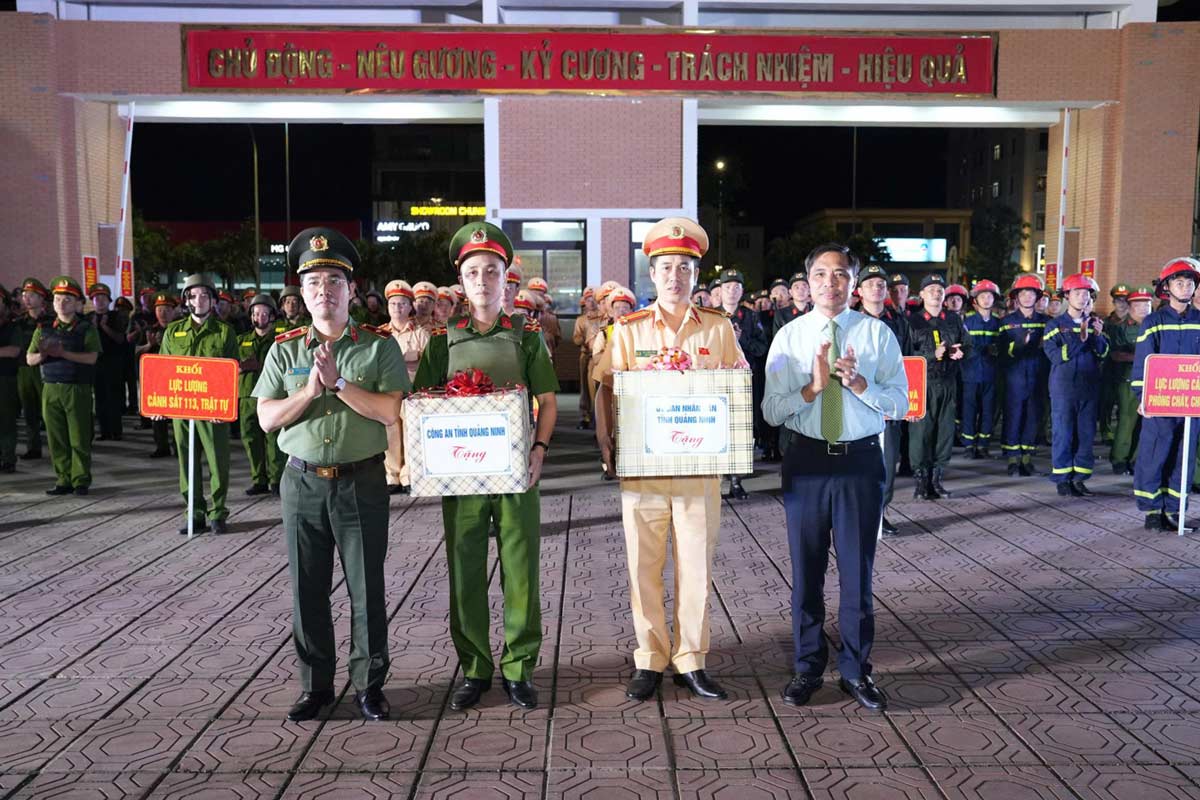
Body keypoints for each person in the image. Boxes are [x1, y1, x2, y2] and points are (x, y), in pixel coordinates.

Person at [255, 227, 409, 722]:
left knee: (367, 587)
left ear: (350, 290)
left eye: (334, 282)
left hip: (361, 482)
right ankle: (315, 685)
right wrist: (308, 391)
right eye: (315, 282)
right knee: (307, 587)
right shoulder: (284, 351)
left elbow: (390, 411)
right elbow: (266, 417)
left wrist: (338, 383)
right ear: (302, 293)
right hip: (301, 482)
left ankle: (369, 684)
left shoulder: (376, 348)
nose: (325, 290)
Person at [413, 221, 559, 712]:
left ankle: (520, 667)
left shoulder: (526, 333)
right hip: (461, 475)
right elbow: (423, 402)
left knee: (521, 570)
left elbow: (548, 400)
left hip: (518, 471)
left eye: (491, 271)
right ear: (461, 280)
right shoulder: (444, 338)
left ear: (505, 280)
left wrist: (540, 449)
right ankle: (474, 667)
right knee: (465, 571)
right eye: (473, 272)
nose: (482, 280)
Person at [600, 217, 744, 704]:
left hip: (699, 472)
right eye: (666, 268)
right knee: (643, 566)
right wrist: (608, 448)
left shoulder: (719, 329)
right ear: (652, 274)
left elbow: (736, 390)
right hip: (643, 471)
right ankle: (649, 658)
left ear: (696, 275)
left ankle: (691, 659)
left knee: (695, 568)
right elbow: (607, 389)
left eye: (685, 267)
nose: (675, 277)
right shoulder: (627, 329)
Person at [763, 243, 907, 711]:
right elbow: (770, 410)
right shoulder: (789, 336)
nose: (831, 283)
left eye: (840, 274)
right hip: (806, 462)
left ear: (854, 282)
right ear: (807, 283)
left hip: (859, 463)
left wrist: (861, 385)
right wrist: (814, 388)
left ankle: (856, 670)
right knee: (806, 571)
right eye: (821, 274)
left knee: (856, 572)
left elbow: (902, 403)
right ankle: (807, 666)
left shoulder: (877, 335)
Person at [159, 274, 238, 535]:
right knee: (187, 462)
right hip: (182, 410)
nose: (199, 300)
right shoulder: (173, 331)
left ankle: (217, 513)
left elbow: (232, 373)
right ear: (186, 300)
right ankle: (194, 513)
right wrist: (159, 404)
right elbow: (162, 370)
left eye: (205, 295)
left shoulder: (224, 332)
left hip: (213, 411)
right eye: (193, 295)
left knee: (218, 462)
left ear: (213, 301)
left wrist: (224, 406)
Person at [1131, 257, 1200, 531]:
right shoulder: (1154, 321)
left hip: (1191, 404)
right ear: (1167, 288)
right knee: (1154, 455)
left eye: (1189, 283)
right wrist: (1141, 396)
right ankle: (1151, 511)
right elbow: (1143, 362)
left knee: (1184, 458)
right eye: (1179, 282)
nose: (1185, 288)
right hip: (1160, 403)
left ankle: (1174, 511)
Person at [26, 277, 101, 495]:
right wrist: (44, 354)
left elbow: (92, 358)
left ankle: (80, 480)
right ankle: (63, 479)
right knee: (56, 437)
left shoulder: (86, 329)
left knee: (79, 437)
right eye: (58, 299)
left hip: (76, 388)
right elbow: (29, 359)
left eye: (67, 299)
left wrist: (64, 354)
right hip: (50, 387)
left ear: (77, 304)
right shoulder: (43, 329)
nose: (61, 303)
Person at [856, 263, 909, 537]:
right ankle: (859, 515)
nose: (877, 288)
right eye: (870, 283)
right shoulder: (850, 321)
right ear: (859, 290)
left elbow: (910, 362)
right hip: (858, 406)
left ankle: (880, 513)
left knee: (888, 462)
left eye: (881, 284)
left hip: (888, 405)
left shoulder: (898, 321)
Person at [1043, 273, 1109, 497]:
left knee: (1086, 434)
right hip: (1063, 388)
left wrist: (1097, 336)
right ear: (1067, 296)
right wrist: (1080, 339)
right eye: (1078, 293)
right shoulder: (1055, 325)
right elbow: (1055, 356)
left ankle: (1080, 478)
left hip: (1089, 388)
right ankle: (1062, 478)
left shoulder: (1095, 323)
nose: (1082, 298)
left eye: (1086, 294)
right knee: (1063, 433)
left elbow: (1103, 354)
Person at [906, 274, 970, 500]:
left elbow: (967, 344)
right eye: (931, 288)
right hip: (924, 383)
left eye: (940, 289)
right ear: (921, 294)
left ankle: (937, 479)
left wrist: (959, 351)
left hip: (948, 382)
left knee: (945, 432)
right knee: (921, 433)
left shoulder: (953, 319)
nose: (936, 292)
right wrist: (932, 355)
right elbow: (906, 355)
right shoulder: (912, 321)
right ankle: (921, 481)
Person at [379, 279, 430, 495]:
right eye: (393, 304)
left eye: (402, 304)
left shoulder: (421, 332)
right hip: (388, 391)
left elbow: (428, 360)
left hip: (413, 390)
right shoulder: (380, 333)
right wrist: (410, 357)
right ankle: (391, 475)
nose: (397, 308)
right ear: (387, 307)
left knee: (412, 434)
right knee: (390, 433)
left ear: (410, 307)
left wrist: (410, 357)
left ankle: (409, 475)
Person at [1000, 274, 1051, 476]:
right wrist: (1021, 343)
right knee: (1013, 416)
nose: (1028, 297)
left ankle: (1027, 458)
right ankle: (1013, 459)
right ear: (1016, 297)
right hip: (1015, 376)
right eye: (1024, 293)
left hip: (1039, 375)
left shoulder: (1047, 321)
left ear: (1037, 297)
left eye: (1032, 293)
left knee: (1033, 416)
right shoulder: (1006, 322)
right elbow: (1002, 352)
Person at [237, 294, 286, 496]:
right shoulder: (241, 340)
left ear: (272, 316)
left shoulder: (280, 340)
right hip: (247, 395)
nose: (260, 317)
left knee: (273, 439)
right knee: (250, 439)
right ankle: (259, 479)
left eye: (265, 313)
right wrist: (240, 367)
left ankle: (276, 480)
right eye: (256, 313)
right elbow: (230, 365)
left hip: (272, 394)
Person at [1107, 285, 1151, 476]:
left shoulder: (1155, 325)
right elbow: (1115, 354)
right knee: (1127, 420)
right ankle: (1119, 458)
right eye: (1138, 304)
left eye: (1147, 304)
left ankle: (1135, 459)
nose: (1143, 308)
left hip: (1151, 380)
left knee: (1145, 423)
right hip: (1129, 380)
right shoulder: (1121, 328)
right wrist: (1142, 357)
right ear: (1130, 306)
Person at [960, 280, 1003, 459]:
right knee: (969, 410)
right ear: (975, 301)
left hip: (991, 374)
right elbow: (963, 347)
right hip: (970, 374)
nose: (986, 299)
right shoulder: (967, 323)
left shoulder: (998, 323)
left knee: (988, 410)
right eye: (982, 296)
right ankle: (969, 445)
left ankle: (983, 444)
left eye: (989, 296)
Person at [135, 292, 178, 459]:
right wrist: (149, 345)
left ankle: (178, 445)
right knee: (157, 415)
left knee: (177, 415)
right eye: (159, 309)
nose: (163, 313)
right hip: (156, 378)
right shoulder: (150, 330)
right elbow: (135, 351)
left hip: (175, 378)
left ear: (174, 311)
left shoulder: (181, 330)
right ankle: (162, 446)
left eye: (167, 309)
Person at [86, 283, 129, 442]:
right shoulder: (89, 317)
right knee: (100, 397)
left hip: (113, 361)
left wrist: (103, 327)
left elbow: (120, 339)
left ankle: (116, 431)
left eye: (103, 298)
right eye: (97, 298)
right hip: (96, 361)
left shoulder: (115, 316)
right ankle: (104, 431)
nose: (100, 301)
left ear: (109, 300)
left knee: (114, 397)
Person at [16, 278, 53, 460]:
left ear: (41, 299)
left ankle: (57, 446)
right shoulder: (18, 322)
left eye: (31, 295)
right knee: (29, 410)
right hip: (24, 369)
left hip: (46, 368)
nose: (27, 299)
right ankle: (34, 447)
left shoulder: (51, 321)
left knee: (50, 411)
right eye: (24, 295)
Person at [1098, 283, 1131, 445]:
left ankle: (1121, 434)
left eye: (1125, 300)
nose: (1122, 304)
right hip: (1108, 368)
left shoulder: (1135, 323)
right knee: (1106, 402)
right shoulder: (1105, 323)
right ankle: (1106, 432)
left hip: (1127, 369)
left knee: (1124, 406)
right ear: (1113, 302)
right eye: (1118, 300)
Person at [573, 287, 605, 429]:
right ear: (584, 302)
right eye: (588, 299)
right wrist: (584, 341)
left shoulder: (603, 318)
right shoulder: (581, 320)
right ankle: (585, 415)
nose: (591, 302)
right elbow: (576, 339)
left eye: (593, 299)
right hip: (586, 356)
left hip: (600, 357)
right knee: (585, 387)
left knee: (599, 387)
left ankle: (599, 417)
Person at [0, 296, 20, 473]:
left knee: (6, 420)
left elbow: (13, 351)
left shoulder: (13, 327)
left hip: (5, 378)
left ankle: (8, 458)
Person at [526, 277, 562, 360]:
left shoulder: (551, 317)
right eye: (534, 294)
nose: (537, 298)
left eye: (540, 294)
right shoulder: (522, 314)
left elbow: (556, 339)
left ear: (544, 296)